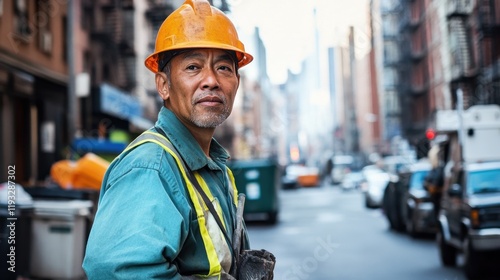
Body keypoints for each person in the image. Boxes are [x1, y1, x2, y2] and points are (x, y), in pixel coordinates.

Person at [82, 0, 255, 278]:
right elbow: (118, 273)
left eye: (223, 67)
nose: (211, 80)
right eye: (193, 67)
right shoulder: (151, 168)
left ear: (236, 81)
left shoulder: (214, 167)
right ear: (163, 85)